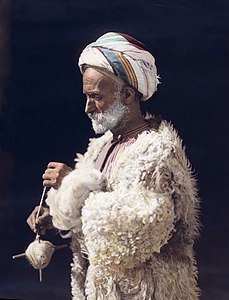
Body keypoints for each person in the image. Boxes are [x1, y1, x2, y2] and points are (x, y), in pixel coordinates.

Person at [27, 32, 200, 300]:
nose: (88, 107)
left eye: (96, 96)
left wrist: (72, 185)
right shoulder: (100, 146)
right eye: (87, 96)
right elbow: (91, 215)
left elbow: (137, 231)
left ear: (128, 94)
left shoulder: (156, 151)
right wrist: (55, 216)